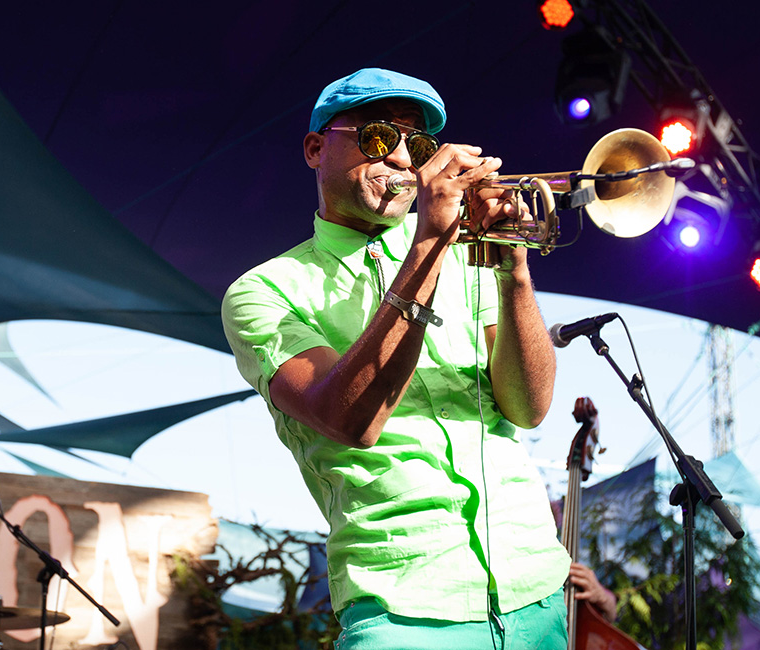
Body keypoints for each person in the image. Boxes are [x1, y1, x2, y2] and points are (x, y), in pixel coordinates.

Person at [221, 68, 572, 649]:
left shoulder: (468, 259)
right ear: (316, 148)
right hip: (403, 604)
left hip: (533, 587)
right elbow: (349, 419)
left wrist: (513, 267)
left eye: (421, 145)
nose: (406, 160)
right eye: (381, 138)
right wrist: (431, 240)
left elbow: (529, 407)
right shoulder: (265, 290)